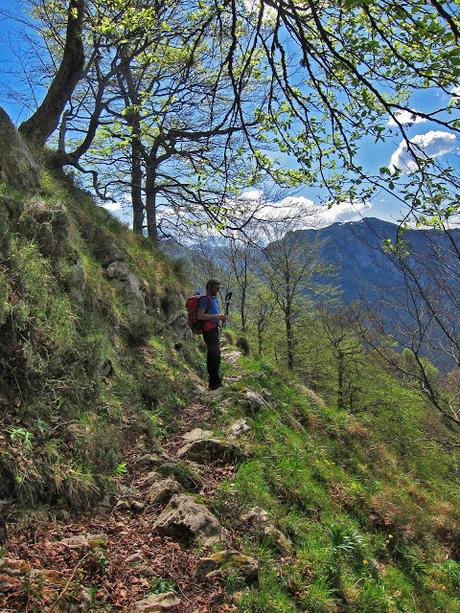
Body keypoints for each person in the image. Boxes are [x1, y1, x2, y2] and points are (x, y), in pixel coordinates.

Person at [197, 279, 227, 390]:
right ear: (209, 287)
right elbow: (200, 316)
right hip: (208, 330)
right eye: (216, 288)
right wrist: (217, 316)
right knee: (214, 356)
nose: (218, 290)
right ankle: (214, 383)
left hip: (214, 329)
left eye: (219, 288)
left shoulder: (213, 299)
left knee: (215, 356)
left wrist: (221, 318)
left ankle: (215, 381)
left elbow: (214, 314)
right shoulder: (205, 299)